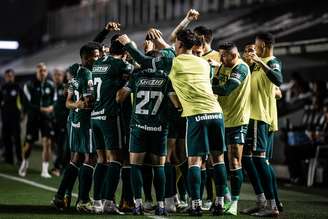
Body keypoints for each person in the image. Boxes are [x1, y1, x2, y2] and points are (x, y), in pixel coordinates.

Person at [168, 29, 227, 216]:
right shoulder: (203, 63)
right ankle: (219, 202)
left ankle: (195, 204)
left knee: (195, 160)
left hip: (197, 115)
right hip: (216, 113)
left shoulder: (174, 62)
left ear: (179, 44)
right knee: (217, 159)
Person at [117, 50, 176, 216]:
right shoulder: (166, 78)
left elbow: (120, 97)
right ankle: (162, 204)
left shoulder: (137, 77)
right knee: (159, 167)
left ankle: (137, 204)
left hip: (138, 127)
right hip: (159, 128)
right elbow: (176, 103)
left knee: (135, 165)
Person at [51, 42, 100, 212]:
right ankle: (84, 201)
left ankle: (59, 196)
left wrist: (77, 104)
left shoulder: (75, 73)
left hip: (74, 120)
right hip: (86, 122)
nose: (99, 57)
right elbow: (87, 102)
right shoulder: (87, 75)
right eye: (96, 55)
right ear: (86, 58)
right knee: (91, 158)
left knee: (76, 159)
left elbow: (68, 102)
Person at [90, 34, 133, 214]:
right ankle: (108, 202)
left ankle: (97, 201)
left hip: (96, 116)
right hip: (110, 116)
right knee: (116, 159)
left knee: (101, 160)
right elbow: (138, 68)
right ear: (124, 51)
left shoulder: (98, 63)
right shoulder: (120, 64)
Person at [241, 32, 283, 217]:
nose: (254, 50)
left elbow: (278, 80)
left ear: (263, 46)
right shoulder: (255, 66)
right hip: (250, 118)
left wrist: (259, 61)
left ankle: (272, 205)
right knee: (248, 159)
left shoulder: (272, 61)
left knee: (260, 160)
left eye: (256, 46)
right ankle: (263, 201)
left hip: (260, 117)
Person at [211, 42, 251, 215]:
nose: (220, 58)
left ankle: (234, 202)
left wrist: (203, 87)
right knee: (215, 160)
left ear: (234, 56)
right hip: (220, 119)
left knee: (234, 161)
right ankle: (222, 197)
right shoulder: (221, 67)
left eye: (224, 55)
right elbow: (216, 82)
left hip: (237, 121)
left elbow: (226, 89)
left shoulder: (241, 69)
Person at [19, 63, 55, 178]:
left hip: (46, 118)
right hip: (33, 118)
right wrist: (42, 109)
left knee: (47, 143)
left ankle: (45, 169)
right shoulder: (29, 85)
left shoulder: (50, 85)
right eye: (40, 71)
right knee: (29, 144)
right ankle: (24, 162)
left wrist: (51, 108)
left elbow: (55, 101)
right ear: (36, 72)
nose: (43, 72)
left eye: (44, 70)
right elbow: (27, 104)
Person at [0, 69, 23, 165]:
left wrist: (23, 114)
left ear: (13, 76)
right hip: (5, 118)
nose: (9, 77)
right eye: (7, 76)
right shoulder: (3, 88)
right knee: (6, 138)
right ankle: (9, 159)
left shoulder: (18, 87)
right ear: (5, 77)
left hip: (15, 118)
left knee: (17, 139)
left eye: (10, 75)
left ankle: (19, 159)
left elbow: (23, 102)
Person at [51, 68, 69, 176]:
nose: (57, 77)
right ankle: (58, 165)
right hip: (53, 121)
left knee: (63, 145)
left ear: (63, 76)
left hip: (63, 121)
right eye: (55, 75)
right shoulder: (51, 88)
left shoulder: (65, 88)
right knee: (55, 145)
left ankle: (59, 167)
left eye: (59, 74)